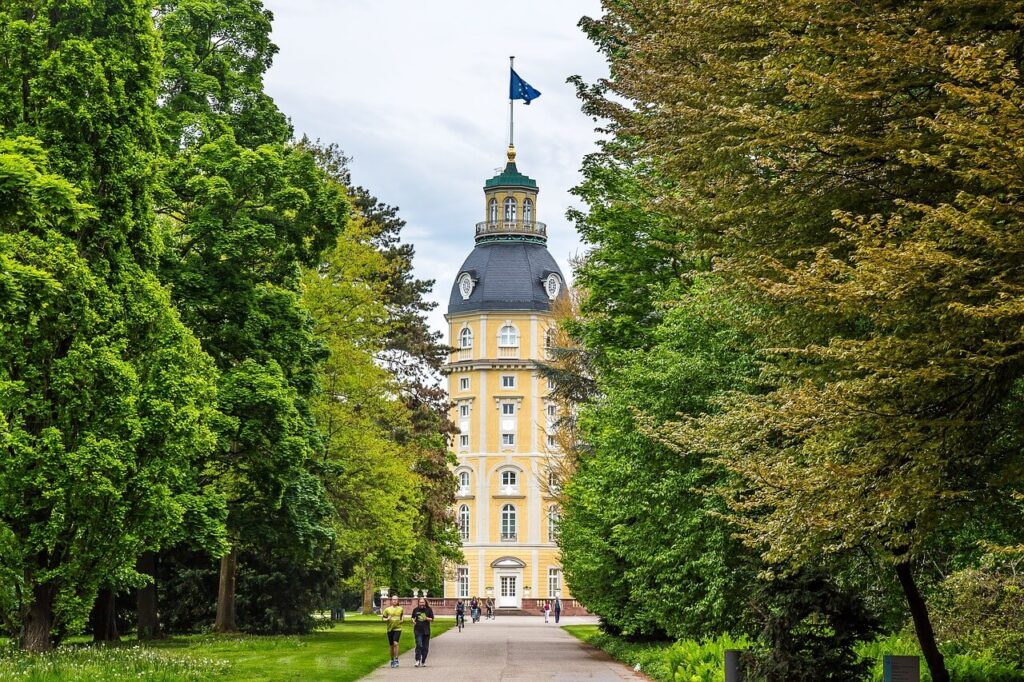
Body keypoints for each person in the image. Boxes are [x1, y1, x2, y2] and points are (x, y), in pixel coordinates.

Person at [410, 598, 434, 668]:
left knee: (425, 647)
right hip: (418, 630)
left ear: (425, 602)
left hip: (426, 631)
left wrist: (426, 618)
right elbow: (412, 617)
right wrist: (413, 621)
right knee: (419, 644)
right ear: (418, 603)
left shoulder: (429, 609)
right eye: (420, 602)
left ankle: (423, 661)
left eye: (423, 602)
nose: (421, 604)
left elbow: (432, 619)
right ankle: (417, 660)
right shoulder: (416, 610)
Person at [381, 596, 404, 668]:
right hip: (390, 629)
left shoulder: (400, 609)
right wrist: (387, 619)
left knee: (396, 643)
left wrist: (402, 620)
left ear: (398, 601)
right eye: (393, 599)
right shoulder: (387, 609)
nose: (394, 601)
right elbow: (383, 618)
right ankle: (392, 660)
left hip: (398, 628)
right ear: (391, 601)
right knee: (391, 646)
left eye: (396, 599)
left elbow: (402, 616)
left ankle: (396, 659)